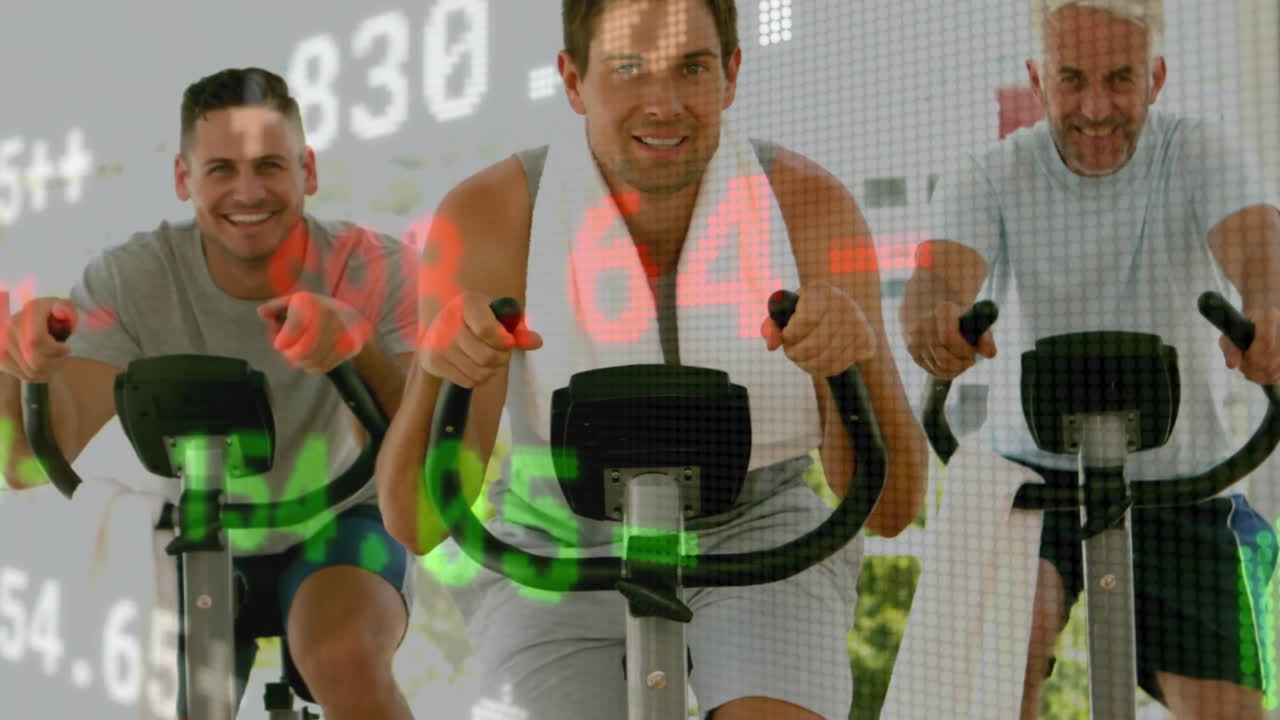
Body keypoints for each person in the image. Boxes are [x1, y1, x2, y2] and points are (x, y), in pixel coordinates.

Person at [374, 1, 929, 718]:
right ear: (573, 81)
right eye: (627, 70)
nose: (662, 105)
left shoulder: (809, 206)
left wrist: (859, 362)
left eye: (691, 67)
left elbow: (889, 511)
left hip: (756, 523)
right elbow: (417, 523)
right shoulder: (488, 215)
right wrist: (434, 368)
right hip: (558, 527)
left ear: (730, 74)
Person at [0, 67, 420, 720]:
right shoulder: (132, 278)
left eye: (270, 165)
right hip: (193, 523)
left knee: (342, 656)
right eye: (221, 168)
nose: (247, 191)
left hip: (340, 517)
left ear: (307, 170)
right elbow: (27, 461)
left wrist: (358, 343)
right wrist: (17, 367)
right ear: (182, 179)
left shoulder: (374, 268)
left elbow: (418, 448)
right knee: (166, 695)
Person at [899, 0, 1280, 717]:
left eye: (1120, 79)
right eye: (1072, 79)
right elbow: (938, 278)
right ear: (1038, 79)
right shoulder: (990, 176)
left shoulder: (1198, 153)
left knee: (1229, 711)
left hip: (1185, 483)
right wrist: (932, 321)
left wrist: (1269, 307)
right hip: (1032, 482)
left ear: (1156, 78)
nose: (1096, 106)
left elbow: (1261, 248)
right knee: (1009, 654)